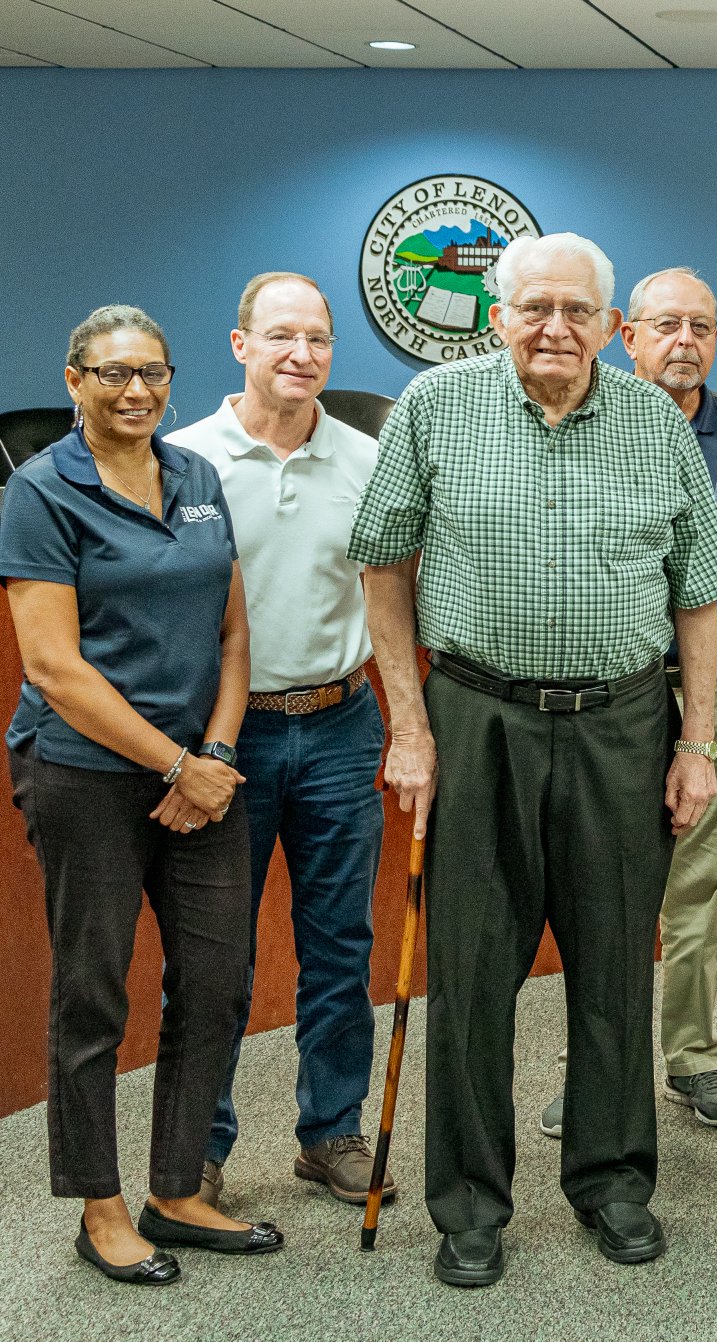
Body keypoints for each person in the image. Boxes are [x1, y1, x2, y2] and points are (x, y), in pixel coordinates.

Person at [351, 232, 717, 1287]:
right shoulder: (435, 410)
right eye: (535, 310)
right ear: (498, 316)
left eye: (576, 312)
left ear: (610, 327)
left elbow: (698, 594)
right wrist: (408, 726)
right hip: (476, 718)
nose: (555, 330)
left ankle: (612, 1183)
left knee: (614, 964)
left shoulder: (654, 421)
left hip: (622, 724)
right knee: (472, 972)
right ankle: (470, 1202)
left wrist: (695, 739)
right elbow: (383, 567)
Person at [2, 304, 281, 1285]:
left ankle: (176, 1188)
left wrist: (211, 751)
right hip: (84, 776)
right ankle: (101, 1205)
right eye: (113, 374)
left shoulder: (197, 476)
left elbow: (235, 636)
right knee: (93, 991)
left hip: (202, 774)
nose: (135, 392)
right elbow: (54, 665)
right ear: (74, 379)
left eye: (152, 373)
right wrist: (177, 764)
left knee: (217, 983)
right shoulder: (41, 492)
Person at [167, 272, 390, 1208]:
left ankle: (331, 1131)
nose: (302, 355)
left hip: (341, 725)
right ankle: (199, 1146)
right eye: (282, 337)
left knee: (339, 944)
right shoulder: (180, 460)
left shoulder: (368, 457)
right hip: (229, 739)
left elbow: (397, 587)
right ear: (239, 345)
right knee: (213, 958)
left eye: (320, 340)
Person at [536, 265, 717, 1139]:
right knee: (599, 889)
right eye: (667, 325)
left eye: (702, 327)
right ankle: (599, 1064)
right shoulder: (587, 419)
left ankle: (691, 1056)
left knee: (704, 880)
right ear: (625, 334)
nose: (686, 343)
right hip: (613, 696)